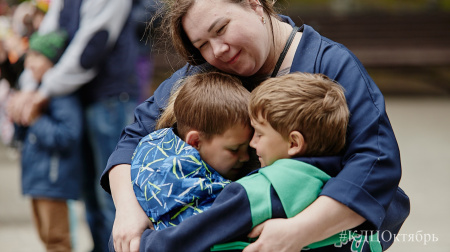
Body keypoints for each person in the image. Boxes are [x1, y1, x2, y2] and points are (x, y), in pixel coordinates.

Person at [101, 0, 410, 252]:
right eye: (202, 45)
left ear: (254, 5)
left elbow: (375, 161)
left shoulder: (331, 64)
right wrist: (129, 212)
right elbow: (133, 139)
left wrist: (299, 231)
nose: (217, 50)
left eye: (220, 29)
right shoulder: (203, 72)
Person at [113, 72, 382, 252]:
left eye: (260, 135)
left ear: (294, 143)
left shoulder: (257, 191)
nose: (252, 147)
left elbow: (190, 238)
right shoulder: (336, 185)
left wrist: (141, 242)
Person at [8, 0, 140, 251]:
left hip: (110, 101)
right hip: (78, 97)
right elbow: (48, 37)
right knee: (90, 198)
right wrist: (29, 86)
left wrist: (40, 93)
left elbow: (89, 49)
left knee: (111, 197)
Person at [131, 71, 252, 230]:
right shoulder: (192, 190)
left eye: (248, 148)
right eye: (234, 149)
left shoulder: (152, 142)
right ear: (195, 141)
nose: (245, 158)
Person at [8, 30, 83, 252]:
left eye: (37, 57)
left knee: (57, 240)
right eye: (28, 56)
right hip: (38, 179)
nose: (29, 63)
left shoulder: (60, 95)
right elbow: (24, 133)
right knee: (46, 237)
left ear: (54, 62)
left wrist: (34, 118)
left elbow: (68, 135)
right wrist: (18, 117)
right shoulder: (37, 90)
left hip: (53, 180)